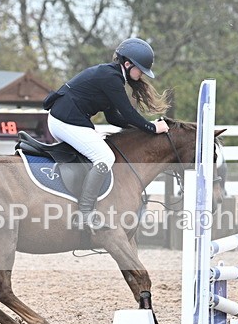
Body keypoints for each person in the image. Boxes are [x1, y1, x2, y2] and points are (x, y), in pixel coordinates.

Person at [42, 38, 171, 229]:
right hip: (65, 121)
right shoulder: (111, 78)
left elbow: (113, 118)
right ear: (127, 64)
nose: (141, 74)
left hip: (66, 120)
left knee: (96, 154)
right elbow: (128, 113)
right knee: (104, 156)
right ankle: (84, 213)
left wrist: (142, 128)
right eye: (140, 70)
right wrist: (152, 128)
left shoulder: (110, 75)